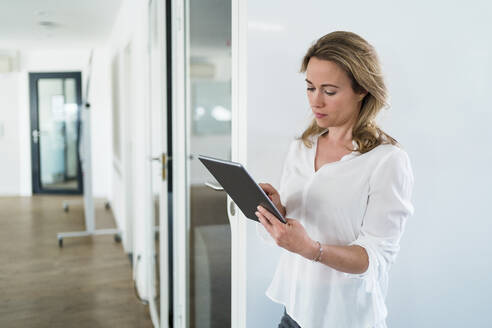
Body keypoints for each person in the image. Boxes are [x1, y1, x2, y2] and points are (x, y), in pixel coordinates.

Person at [256, 31, 415, 328]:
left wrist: (310, 249)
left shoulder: (387, 160)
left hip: (346, 317)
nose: (316, 101)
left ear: (362, 90)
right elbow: (299, 227)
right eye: (310, 88)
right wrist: (278, 211)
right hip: (294, 311)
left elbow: (375, 258)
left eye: (329, 91)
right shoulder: (301, 148)